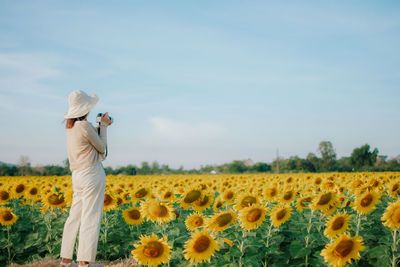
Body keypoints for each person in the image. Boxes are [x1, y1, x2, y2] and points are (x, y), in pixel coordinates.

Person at [59, 90, 112, 267]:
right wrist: (103, 126)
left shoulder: (70, 127)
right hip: (91, 174)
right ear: (86, 109)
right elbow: (101, 147)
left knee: (74, 216)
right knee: (91, 216)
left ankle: (66, 260)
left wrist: (97, 129)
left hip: (77, 176)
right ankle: (85, 262)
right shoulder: (84, 126)